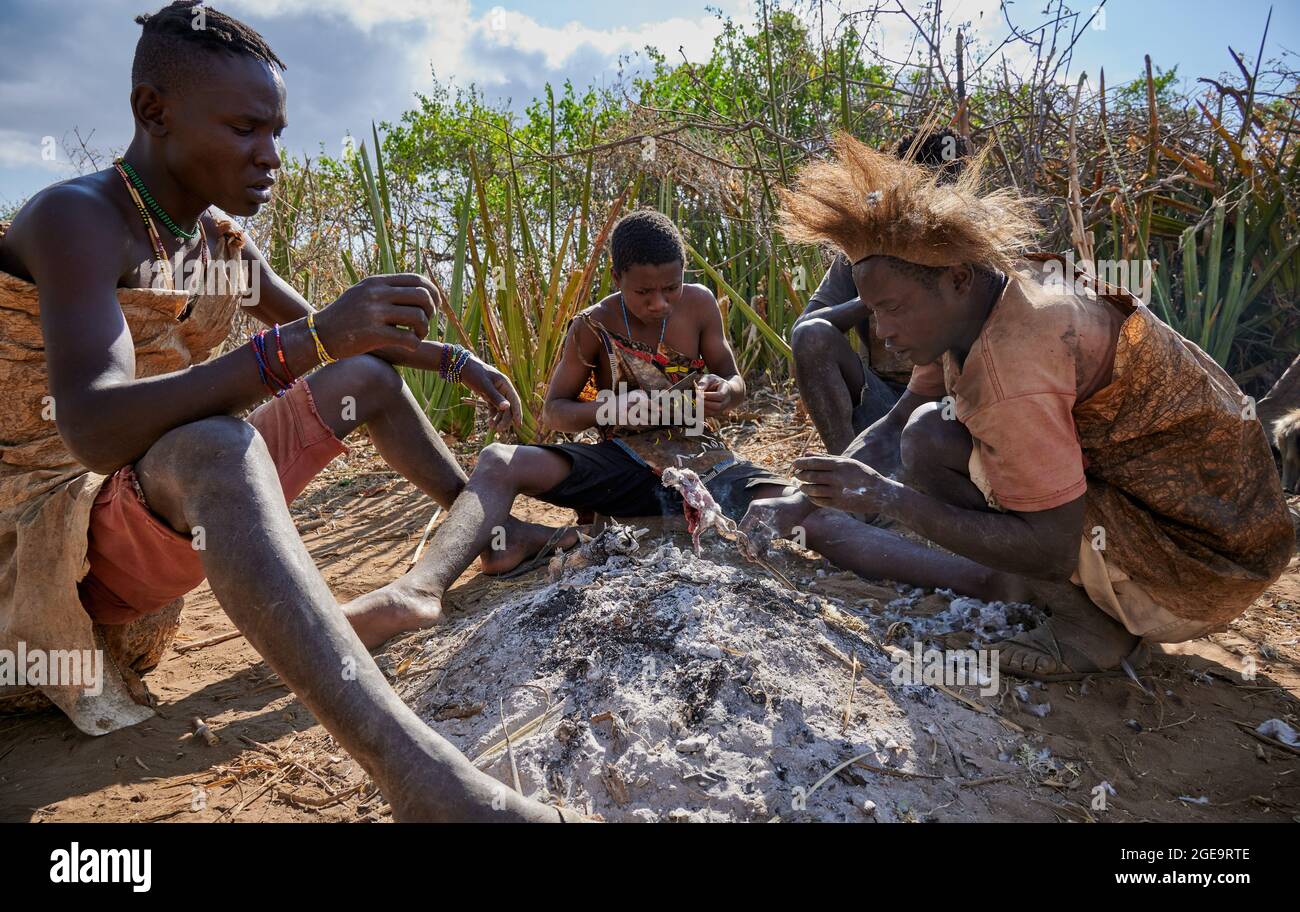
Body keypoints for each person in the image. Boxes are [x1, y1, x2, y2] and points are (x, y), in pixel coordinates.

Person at [0, 1, 576, 821]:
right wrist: (306, 342)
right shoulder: (77, 220)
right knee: (215, 446)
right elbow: (91, 428)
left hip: (149, 514)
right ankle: (422, 781)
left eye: (277, 131)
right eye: (244, 129)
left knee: (366, 378)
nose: (270, 155)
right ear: (151, 112)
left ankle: (488, 533)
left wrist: (451, 358)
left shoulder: (216, 242)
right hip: (48, 537)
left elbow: (340, 345)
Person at [741, 134, 1293, 680]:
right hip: (1190, 526)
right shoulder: (977, 302)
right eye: (873, 312)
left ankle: (1089, 628)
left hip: (1200, 568)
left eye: (891, 310)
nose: (880, 332)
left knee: (933, 443)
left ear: (956, 279)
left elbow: (1052, 548)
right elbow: (899, 419)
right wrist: (800, 502)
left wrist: (890, 498)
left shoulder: (1016, 358)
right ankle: (1043, 590)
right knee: (927, 433)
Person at [347, 208, 790, 621]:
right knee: (500, 460)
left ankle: (638, 531)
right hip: (623, 467)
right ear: (617, 278)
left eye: (670, 288)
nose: (660, 303)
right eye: (643, 292)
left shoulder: (701, 304)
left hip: (703, 467)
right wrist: (608, 409)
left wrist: (723, 392)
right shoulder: (592, 326)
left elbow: (733, 379)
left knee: (794, 501)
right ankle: (421, 587)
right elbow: (556, 411)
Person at [791, 127, 969, 459]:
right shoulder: (864, 248)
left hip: (955, 412)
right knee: (811, 336)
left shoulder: (974, 250)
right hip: (884, 402)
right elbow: (806, 330)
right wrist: (874, 297)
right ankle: (848, 476)